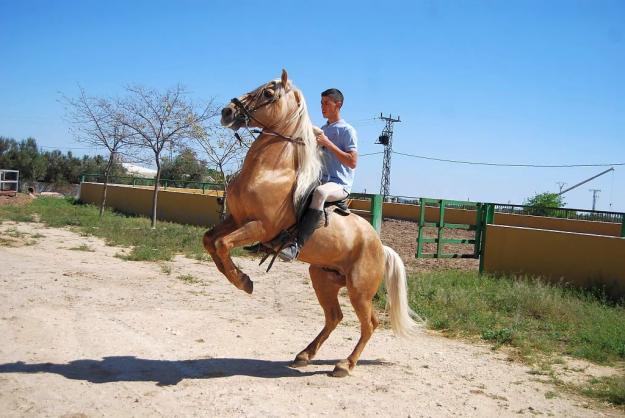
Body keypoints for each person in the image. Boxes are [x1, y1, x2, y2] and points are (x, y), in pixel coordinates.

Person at [279, 88, 358, 261]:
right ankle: (274, 238)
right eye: (321, 103)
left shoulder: (347, 130)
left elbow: (352, 162)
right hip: (320, 179)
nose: (322, 107)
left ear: (338, 105)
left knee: (320, 193)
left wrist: (327, 143)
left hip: (339, 184)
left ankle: (296, 246)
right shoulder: (323, 129)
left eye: (326, 103)